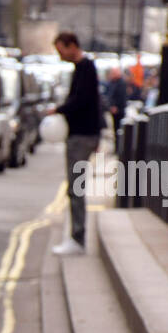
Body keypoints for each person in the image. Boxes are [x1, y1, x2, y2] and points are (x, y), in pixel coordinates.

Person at [51, 31, 102, 255]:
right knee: (75, 187)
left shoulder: (86, 68)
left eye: (61, 50)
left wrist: (58, 110)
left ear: (72, 46)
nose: (59, 56)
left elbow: (82, 101)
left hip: (81, 136)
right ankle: (76, 236)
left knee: (76, 187)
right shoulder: (82, 68)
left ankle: (77, 237)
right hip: (83, 134)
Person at [107, 65, 129, 133]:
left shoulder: (121, 83)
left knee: (118, 128)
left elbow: (121, 97)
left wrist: (116, 107)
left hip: (119, 110)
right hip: (114, 109)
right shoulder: (112, 83)